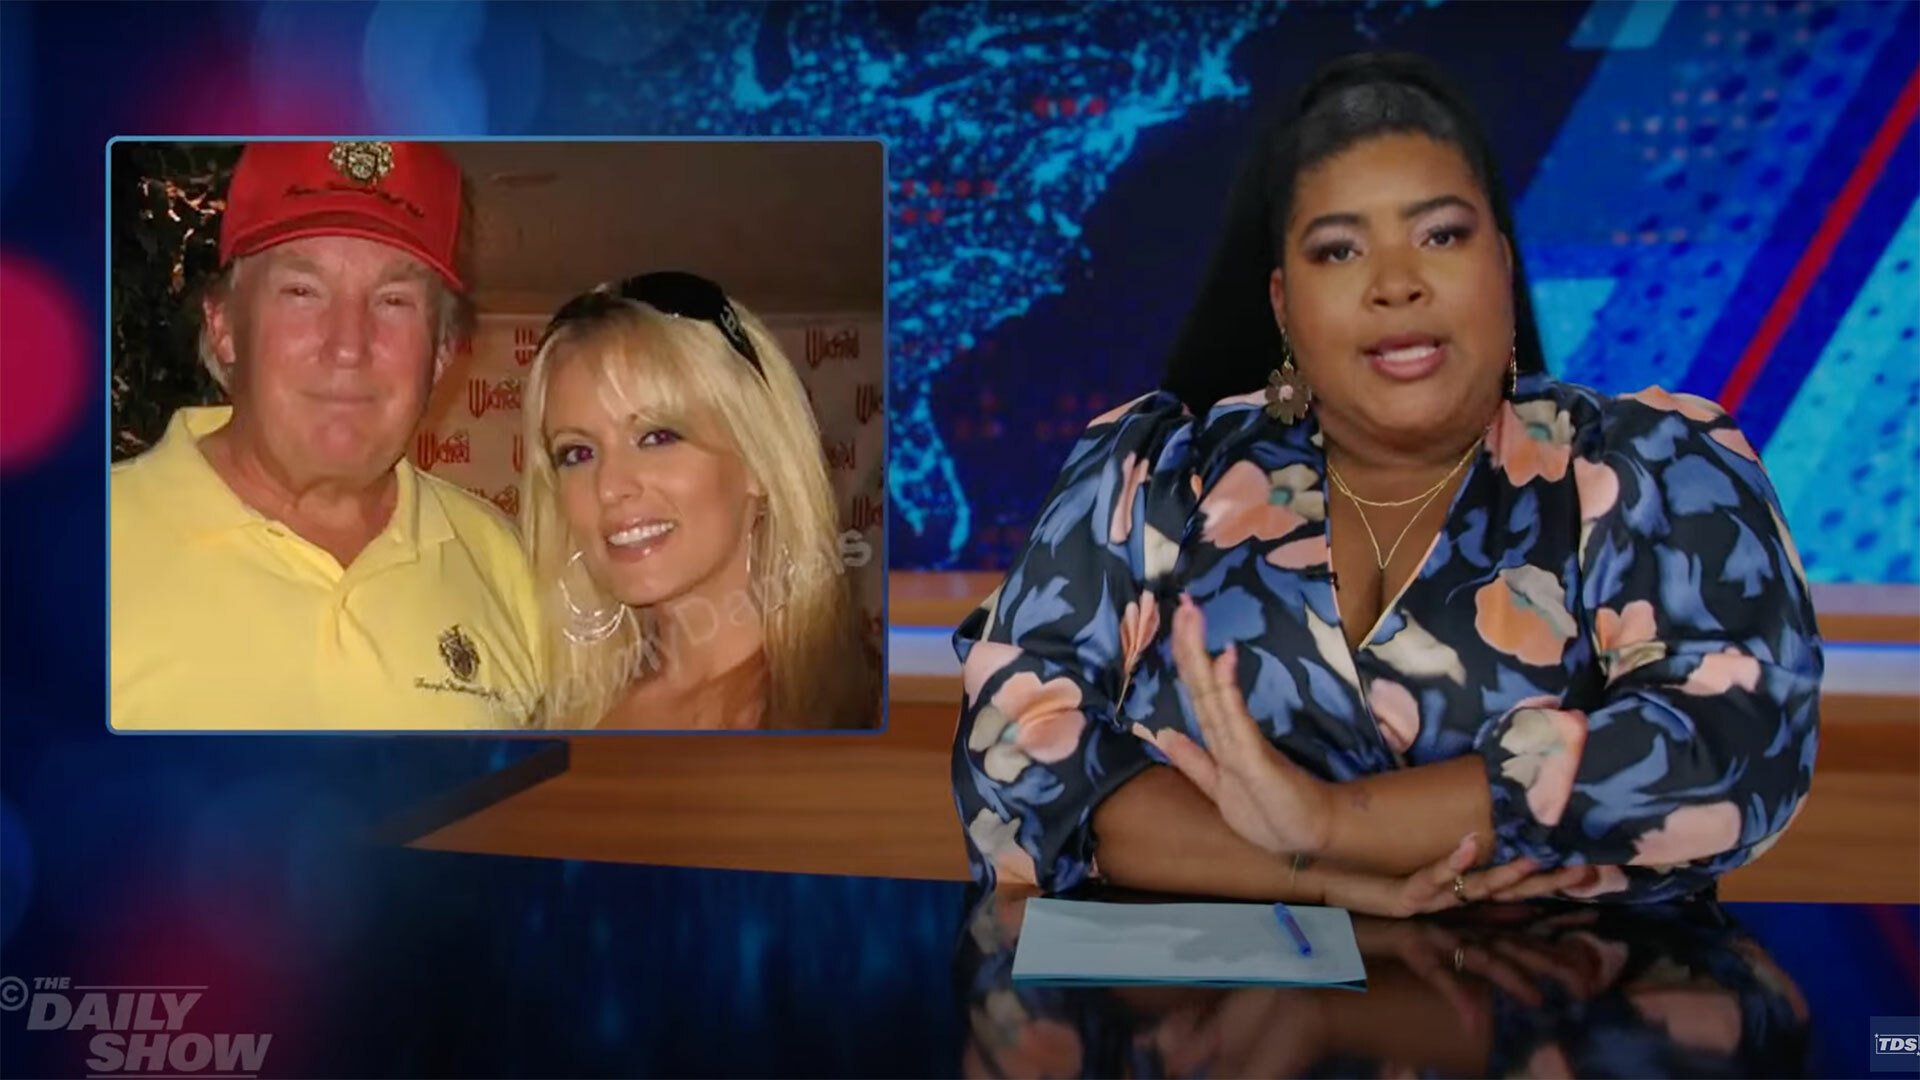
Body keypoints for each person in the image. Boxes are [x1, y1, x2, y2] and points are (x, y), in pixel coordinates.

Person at [949, 53, 1821, 914]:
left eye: (1441, 235)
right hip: (1218, 1034)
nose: (1397, 284)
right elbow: (1021, 749)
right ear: (1285, 305)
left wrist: (1334, 821)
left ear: (1503, 267)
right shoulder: (1150, 474)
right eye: (1339, 250)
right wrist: (1324, 879)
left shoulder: (1652, 467)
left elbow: (1737, 744)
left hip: (1575, 1029)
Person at [111, 141, 543, 730]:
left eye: (393, 300)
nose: (348, 346)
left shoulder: (506, 566)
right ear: (224, 326)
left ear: (441, 352)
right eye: (302, 292)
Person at [520, 271, 876, 730]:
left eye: (656, 436)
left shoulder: (858, 711)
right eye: (577, 453)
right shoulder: (560, 722)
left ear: (758, 461)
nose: (609, 486)